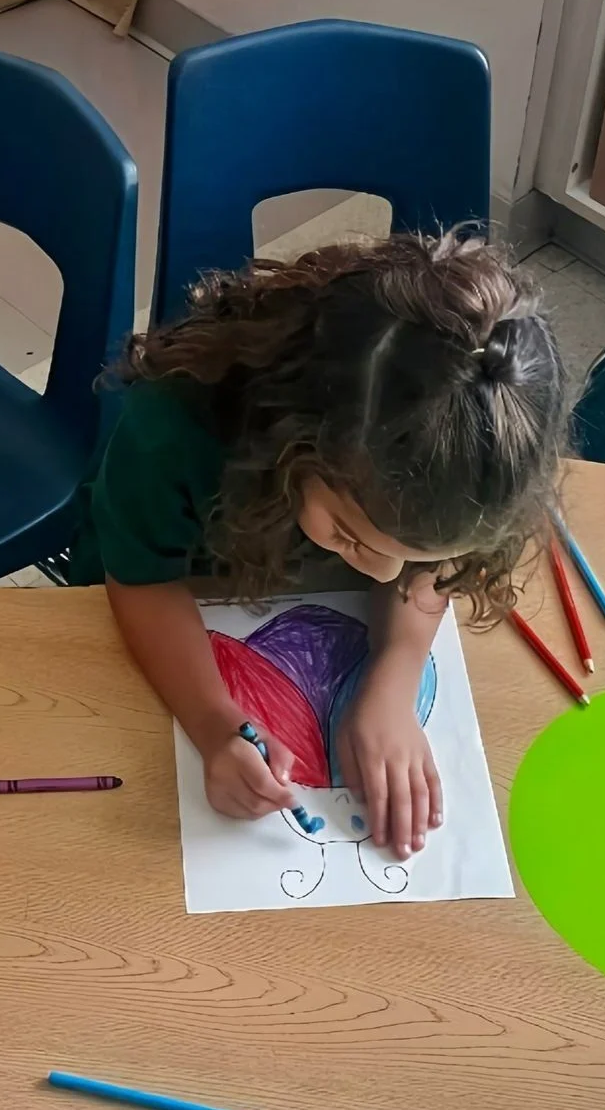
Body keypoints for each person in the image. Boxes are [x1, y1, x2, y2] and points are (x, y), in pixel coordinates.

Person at [69, 232, 576, 859]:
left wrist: (393, 682)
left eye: (417, 557)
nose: (388, 572)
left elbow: (417, 567)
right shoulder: (171, 427)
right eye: (351, 536)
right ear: (298, 440)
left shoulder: (442, 456)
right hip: (160, 589)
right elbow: (141, 581)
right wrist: (214, 722)